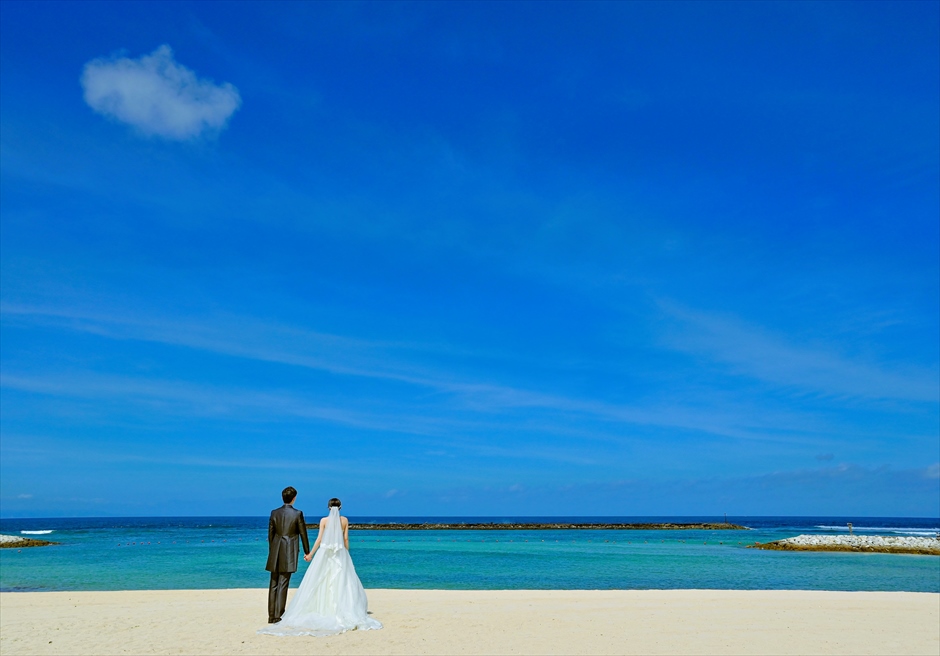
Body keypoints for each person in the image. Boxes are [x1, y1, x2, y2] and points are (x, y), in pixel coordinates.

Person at [258, 497, 382, 637]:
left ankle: (317, 608)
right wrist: (346, 552)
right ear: (340, 507)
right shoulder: (345, 521)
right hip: (340, 553)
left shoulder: (324, 521)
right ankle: (340, 609)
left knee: (319, 580)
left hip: (324, 553)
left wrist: (310, 554)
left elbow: (319, 539)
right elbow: (346, 538)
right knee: (342, 582)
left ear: (328, 507)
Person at [265, 486, 311, 624]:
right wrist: (307, 551)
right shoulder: (297, 513)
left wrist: (272, 550)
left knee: (273, 583)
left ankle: (271, 616)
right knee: (283, 582)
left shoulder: (274, 513)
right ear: (294, 498)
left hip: (275, 549)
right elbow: (303, 533)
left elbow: (270, 533)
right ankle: (279, 615)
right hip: (289, 549)